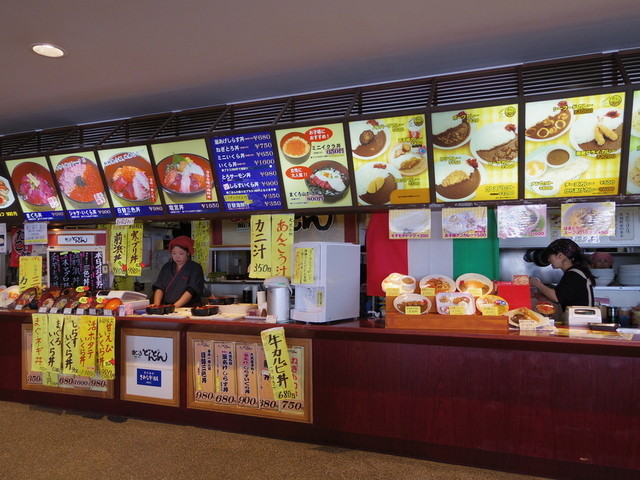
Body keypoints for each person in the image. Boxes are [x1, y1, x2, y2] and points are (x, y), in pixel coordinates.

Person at [529, 238, 595, 312]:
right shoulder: (575, 272)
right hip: (579, 319)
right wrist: (546, 296)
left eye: (550, 256)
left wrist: (536, 283)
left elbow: (556, 297)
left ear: (560, 255)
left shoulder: (573, 274)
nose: (548, 260)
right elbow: (564, 295)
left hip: (581, 320)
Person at [152, 235, 204, 307]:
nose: (177, 257)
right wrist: (156, 305)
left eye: (181, 253)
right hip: (167, 307)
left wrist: (174, 307)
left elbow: (192, 290)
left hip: (188, 308)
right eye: (174, 253)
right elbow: (159, 287)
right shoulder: (167, 267)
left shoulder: (195, 268)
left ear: (188, 253)